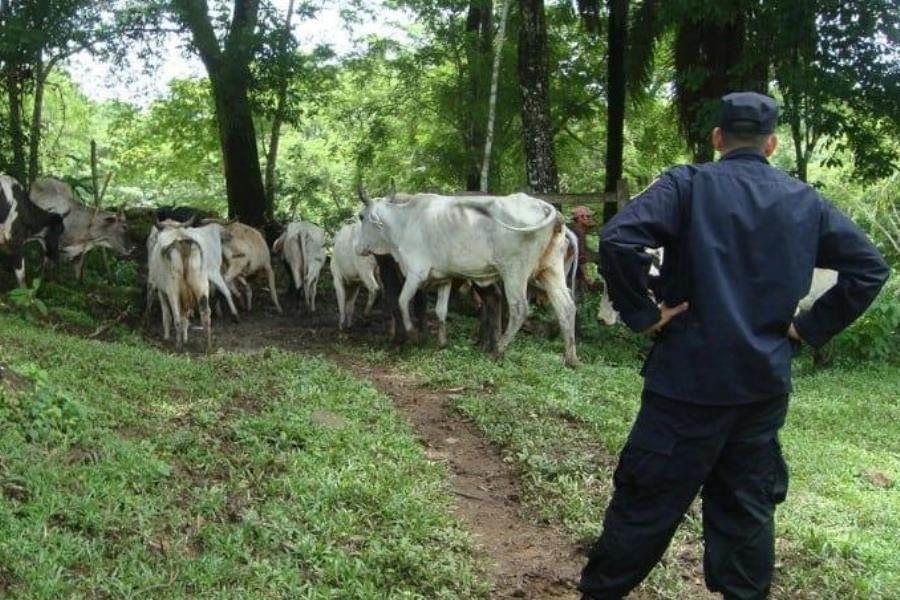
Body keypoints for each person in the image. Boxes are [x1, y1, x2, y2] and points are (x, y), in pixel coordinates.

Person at [579, 92, 889, 599]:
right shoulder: (804, 199)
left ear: (718, 138)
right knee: (745, 513)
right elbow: (870, 267)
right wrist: (807, 328)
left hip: (684, 386)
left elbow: (618, 239)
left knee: (644, 505)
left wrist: (642, 315)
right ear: (772, 144)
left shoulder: (688, 183)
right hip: (760, 388)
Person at [570, 205, 599, 292]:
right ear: (581, 218)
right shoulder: (579, 232)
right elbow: (580, 257)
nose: (590, 219)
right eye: (588, 216)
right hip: (572, 276)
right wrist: (586, 276)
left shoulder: (574, 230)